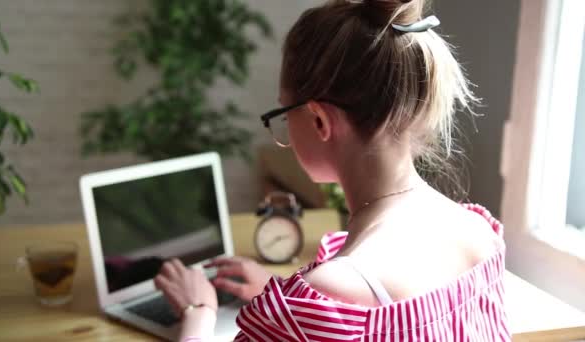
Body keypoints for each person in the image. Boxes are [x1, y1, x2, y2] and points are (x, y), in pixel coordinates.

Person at [154, 0, 510, 340]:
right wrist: (278, 297)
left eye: (282, 113)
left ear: (319, 120)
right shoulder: (478, 232)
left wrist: (197, 313)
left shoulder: (333, 293)